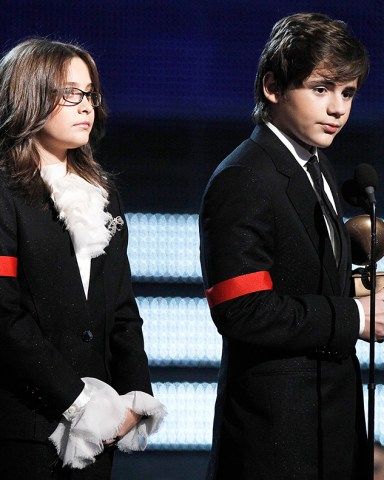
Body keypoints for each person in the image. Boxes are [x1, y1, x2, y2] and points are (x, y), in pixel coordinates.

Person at [199, 12, 384, 480]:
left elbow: (303, 280)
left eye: (347, 93)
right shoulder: (245, 176)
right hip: (279, 437)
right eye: (321, 89)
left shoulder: (313, 164)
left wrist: (364, 289)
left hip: (332, 426)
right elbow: (243, 311)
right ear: (273, 87)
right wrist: (359, 317)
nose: (338, 108)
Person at [0, 39, 165, 479]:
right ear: (29, 95)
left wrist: (134, 397)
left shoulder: (103, 197)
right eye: (69, 93)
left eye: (89, 93)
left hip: (96, 436)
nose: (85, 105)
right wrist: (77, 401)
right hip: (23, 429)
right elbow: (4, 315)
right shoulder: (6, 192)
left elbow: (122, 310)